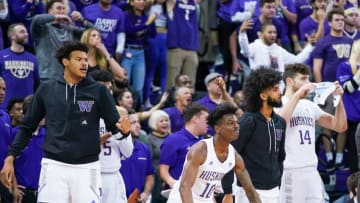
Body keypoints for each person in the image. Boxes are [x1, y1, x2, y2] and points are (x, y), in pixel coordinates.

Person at [0, 41, 131, 203]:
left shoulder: (99, 91)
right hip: (54, 165)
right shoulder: (47, 89)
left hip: (87, 167)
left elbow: (115, 127)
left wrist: (124, 131)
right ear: (65, 62)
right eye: (78, 59)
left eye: (85, 59)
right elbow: (27, 127)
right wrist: (11, 156)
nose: (84, 63)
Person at [277, 63, 347, 203]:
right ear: (289, 81)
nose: (308, 83)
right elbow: (279, 122)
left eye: (308, 79)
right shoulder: (279, 103)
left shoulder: (309, 106)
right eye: (303, 79)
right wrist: (297, 95)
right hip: (291, 171)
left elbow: (340, 126)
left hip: (311, 170)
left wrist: (338, 101)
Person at [167, 103, 261, 203]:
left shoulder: (234, 156)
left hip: (205, 199)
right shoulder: (201, 150)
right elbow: (185, 187)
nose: (237, 126)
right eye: (230, 123)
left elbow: (250, 190)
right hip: (182, 198)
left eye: (237, 122)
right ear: (217, 128)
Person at [222, 67, 286, 202]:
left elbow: (280, 157)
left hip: (274, 190)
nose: (280, 93)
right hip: (248, 190)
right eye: (275, 90)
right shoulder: (248, 121)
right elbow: (230, 155)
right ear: (263, 96)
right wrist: (228, 192)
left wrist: (278, 182)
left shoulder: (280, 122)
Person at [90, 69, 134, 203]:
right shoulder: (81, 114)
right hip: (89, 176)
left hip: (113, 176)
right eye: (104, 88)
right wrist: (110, 133)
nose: (108, 92)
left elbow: (128, 152)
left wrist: (125, 134)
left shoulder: (119, 115)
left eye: (110, 88)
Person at [31, 0, 94, 81]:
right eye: (58, 8)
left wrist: (82, 20)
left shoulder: (70, 29)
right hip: (47, 78)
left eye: (63, 9)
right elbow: (36, 20)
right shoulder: (42, 29)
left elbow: (94, 33)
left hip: (67, 78)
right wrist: (56, 17)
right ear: (49, 11)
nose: (62, 11)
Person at [159, 103, 209, 189]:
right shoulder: (173, 140)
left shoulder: (205, 142)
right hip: (179, 192)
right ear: (195, 119)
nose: (208, 123)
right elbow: (163, 169)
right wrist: (173, 183)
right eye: (206, 119)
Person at [0, 23, 40, 110]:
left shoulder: (33, 58)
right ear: (12, 36)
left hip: (27, 108)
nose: (26, 34)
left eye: (26, 32)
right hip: (5, 107)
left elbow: (37, 84)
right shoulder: (1, 56)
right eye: (22, 32)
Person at [120, 109, 155, 203]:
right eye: (133, 123)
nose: (138, 126)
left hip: (138, 200)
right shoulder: (115, 149)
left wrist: (146, 193)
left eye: (138, 122)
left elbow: (150, 175)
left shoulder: (144, 148)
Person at [336, 39, 360, 172]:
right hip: (354, 117)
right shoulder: (344, 66)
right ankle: (356, 189)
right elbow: (348, 88)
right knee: (355, 153)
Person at [147, 110, 170, 203]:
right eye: (161, 121)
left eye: (166, 120)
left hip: (172, 176)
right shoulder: (149, 139)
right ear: (154, 123)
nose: (165, 123)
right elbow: (150, 161)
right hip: (156, 178)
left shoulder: (173, 137)